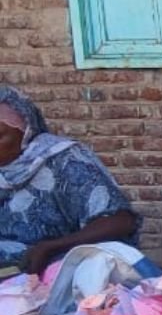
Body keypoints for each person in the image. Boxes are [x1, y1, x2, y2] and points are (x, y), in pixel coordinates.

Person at [0, 86, 142, 274]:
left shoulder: (64, 160)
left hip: (62, 263)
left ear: (26, 130)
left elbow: (120, 221)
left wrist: (51, 247)